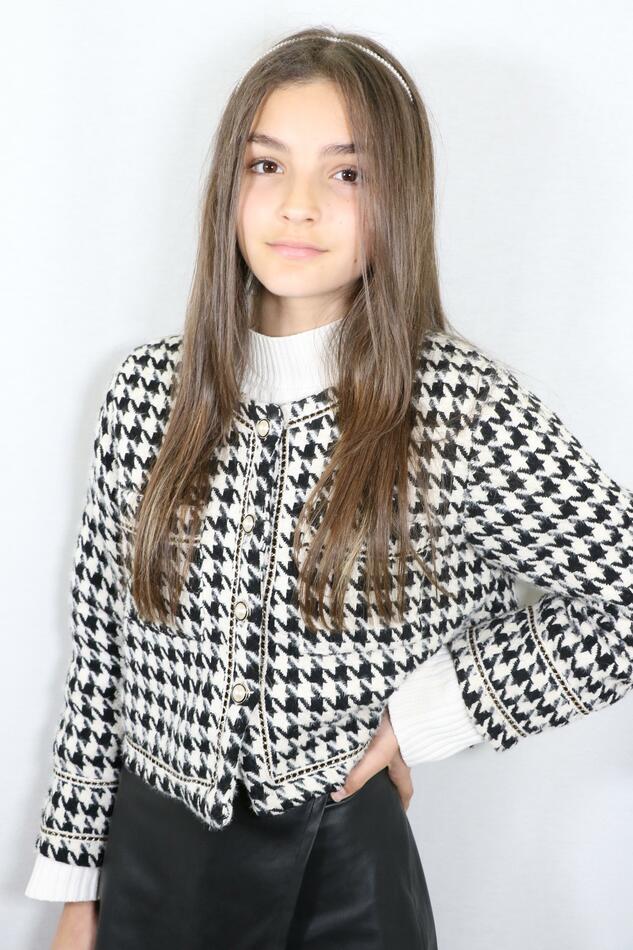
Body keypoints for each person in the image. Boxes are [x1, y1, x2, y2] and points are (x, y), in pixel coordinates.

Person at [25, 26, 632, 950]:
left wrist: (430, 713)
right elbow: (101, 661)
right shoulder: (147, 394)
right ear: (229, 185)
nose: (298, 206)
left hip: (344, 885)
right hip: (150, 869)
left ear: (398, 198)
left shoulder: (454, 407)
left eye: (346, 173)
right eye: (266, 166)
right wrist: (79, 891)